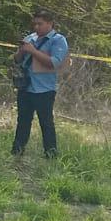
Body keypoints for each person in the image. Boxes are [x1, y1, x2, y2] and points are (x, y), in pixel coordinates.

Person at [12, 8, 69, 159]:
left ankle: (50, 155)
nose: (36, 27)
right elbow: (17, 60)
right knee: (23, 121)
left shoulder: (58, 40)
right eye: (34, 24)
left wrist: (33, 51)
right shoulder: (30, 37)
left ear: (50, 23)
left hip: (44, 89)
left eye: (40, 24)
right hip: (26, 87)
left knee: (46, 123)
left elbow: (54, 63)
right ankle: (17, 152)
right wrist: (22, 51)